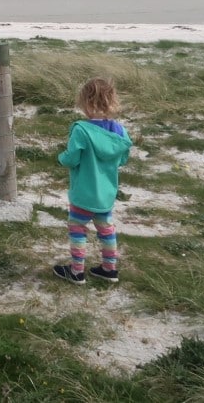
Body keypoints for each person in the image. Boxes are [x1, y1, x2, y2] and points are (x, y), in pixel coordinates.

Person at [53, 77, 133, 284]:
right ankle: (109, 269)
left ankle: (77, 271)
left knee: (77, 229)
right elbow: (122, 159)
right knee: (106, 230)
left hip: (83, 193)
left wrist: (61, 158)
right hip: (106, 193)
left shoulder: (81, 129)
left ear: (86, 103)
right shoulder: (120, 131)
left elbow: (72, 158)